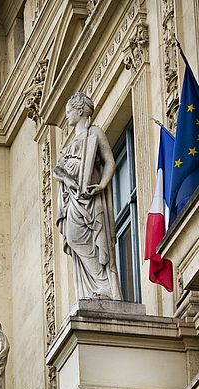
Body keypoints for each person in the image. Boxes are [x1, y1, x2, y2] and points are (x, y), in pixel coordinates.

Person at [53, 91, 122, 301]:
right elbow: (58, 170)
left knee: (95, 240)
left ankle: (105, 285)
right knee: (73, 237)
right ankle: (94, 287)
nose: (67, 117)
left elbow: (110, 162)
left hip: (91, 197)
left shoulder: (95, 133)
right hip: (72, 197)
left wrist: (101, 185)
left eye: (69, 112)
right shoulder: (69, 144)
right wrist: (65, 178)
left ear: (80, 110)